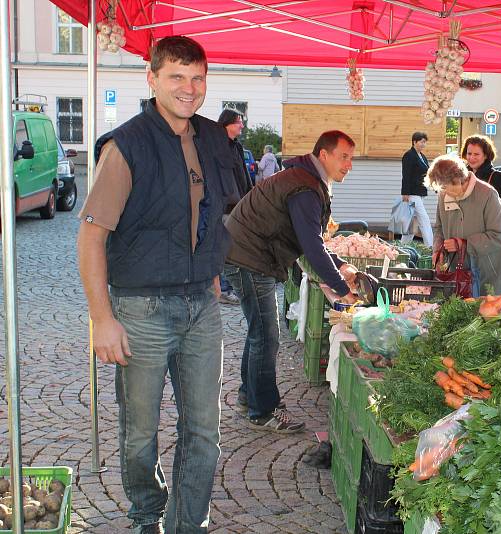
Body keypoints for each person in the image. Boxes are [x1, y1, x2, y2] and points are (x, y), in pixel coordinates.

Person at [76, 36, 235, 534]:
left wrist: (209, 275)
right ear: (152, 79)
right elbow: (91, 236)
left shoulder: (214, 139)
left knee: (203, 431)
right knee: (140, 432)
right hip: (140, 309)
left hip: (201, 307)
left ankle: (188, 523)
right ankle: (148, 513)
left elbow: (213, 215)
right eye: (176, 77)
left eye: (197, 78)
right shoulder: (127, 145)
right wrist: (103, 319)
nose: (189, 89)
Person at [224, 130, 360, 433]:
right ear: (323, 156)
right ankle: (263, 411)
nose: (349, 165)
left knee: (259, 332)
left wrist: (338, 266)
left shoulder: (304, 179)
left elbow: (307, 242)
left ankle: (250, 398)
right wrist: (340, 286)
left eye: (352, 158)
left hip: (244, 253)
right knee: (266, 335)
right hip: (249, 257)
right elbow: (311, 245)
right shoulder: (305, 187)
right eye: (344, 157)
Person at [428, 154, 501, 296]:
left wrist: (465, 244)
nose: (443, 192)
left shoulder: (487, 194)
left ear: (458, 179)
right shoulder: (443, 195)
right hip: (461, 276)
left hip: (492, 275)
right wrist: (438, 249)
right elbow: (439, 228)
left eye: (445, 187)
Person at [217, 109, 253, 306]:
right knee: (225, 248)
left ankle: (230, 287)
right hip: (225, 207)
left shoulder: (236, 146)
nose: (241, 125)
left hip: (238, 205)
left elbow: (242, 175)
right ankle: (224, 289)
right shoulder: (217, 146)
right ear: (227, 124)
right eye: (238, 121)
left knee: (233, 248)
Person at [461, 134, 501, 222]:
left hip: (488, 232)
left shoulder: (497, 178)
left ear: (486, 155)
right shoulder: (461, 176)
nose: (472, 157)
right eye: (469, 153)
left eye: (476, 154)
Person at [400, 131, 434, 246]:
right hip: (412, 194)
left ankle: (402, 246)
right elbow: (406, 175)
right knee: (424, 220)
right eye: (422, 142)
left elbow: (427, 173)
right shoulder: (409, 155)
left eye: (425, 142)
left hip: (420, 192)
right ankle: (431, 247)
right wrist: (405, 193)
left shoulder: (422, 156)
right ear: (414, 142)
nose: (424, 144)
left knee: (412, 223)